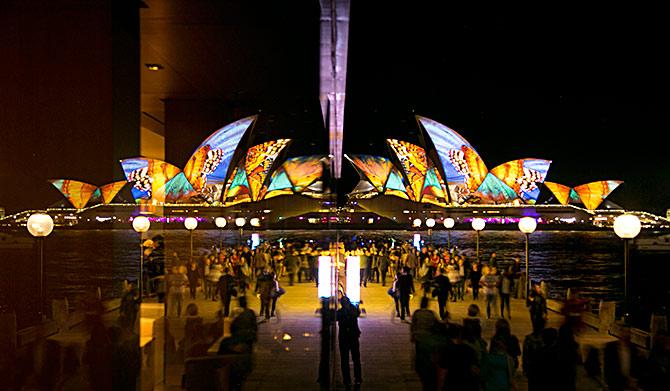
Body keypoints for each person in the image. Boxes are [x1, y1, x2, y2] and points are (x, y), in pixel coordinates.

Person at [411, 297, 439, 390]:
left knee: (419, 351)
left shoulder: (417, 313)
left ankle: (419, 365)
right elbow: (436, 324)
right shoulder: (431, 314)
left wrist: (412, 334)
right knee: (427, 352)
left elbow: (413, 325)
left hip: (418, 336)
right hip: (428, 336)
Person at [337, 296, 362, 388]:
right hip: (352, 337)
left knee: (345, 360)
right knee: (355, 359)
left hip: (344, 338)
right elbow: (357, 313)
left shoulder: (341, 313)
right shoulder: (353, 310)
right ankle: (357, 378)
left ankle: (347, 380)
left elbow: (334, 317)